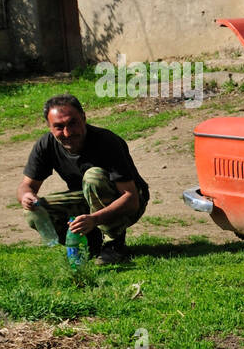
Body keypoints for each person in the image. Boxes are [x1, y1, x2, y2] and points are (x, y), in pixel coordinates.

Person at [17, 95, 150, 265]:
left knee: (93, 177)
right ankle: (90, 243)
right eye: (59, 127)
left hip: (129, 200)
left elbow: (131, 199)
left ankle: (114, 243)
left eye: (73, 123)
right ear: (49, 127)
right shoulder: (46, 144)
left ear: (84, 118)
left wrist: (94, 219)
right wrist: (27, 196)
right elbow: (25, 186)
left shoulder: (106, 142)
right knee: (32, 212)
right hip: (87, 198)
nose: (67, 133)